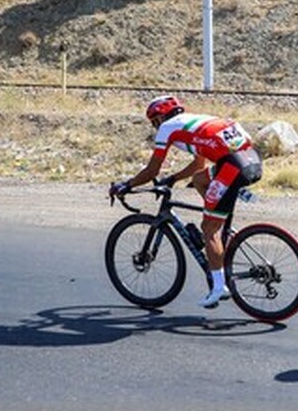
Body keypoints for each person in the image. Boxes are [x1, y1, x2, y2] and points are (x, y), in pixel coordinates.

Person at [109, 95, 262, 309]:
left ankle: (219, 286)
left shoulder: (168, 128)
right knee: (199, 180)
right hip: (251, 161)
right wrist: (172, 179)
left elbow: (152, 170)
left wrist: (127, 185)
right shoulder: (195, 121)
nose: (155, 128)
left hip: (231, 168)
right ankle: (219, 222)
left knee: (209, 229)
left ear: (161, 117)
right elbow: (198, 166)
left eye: (154, 123)